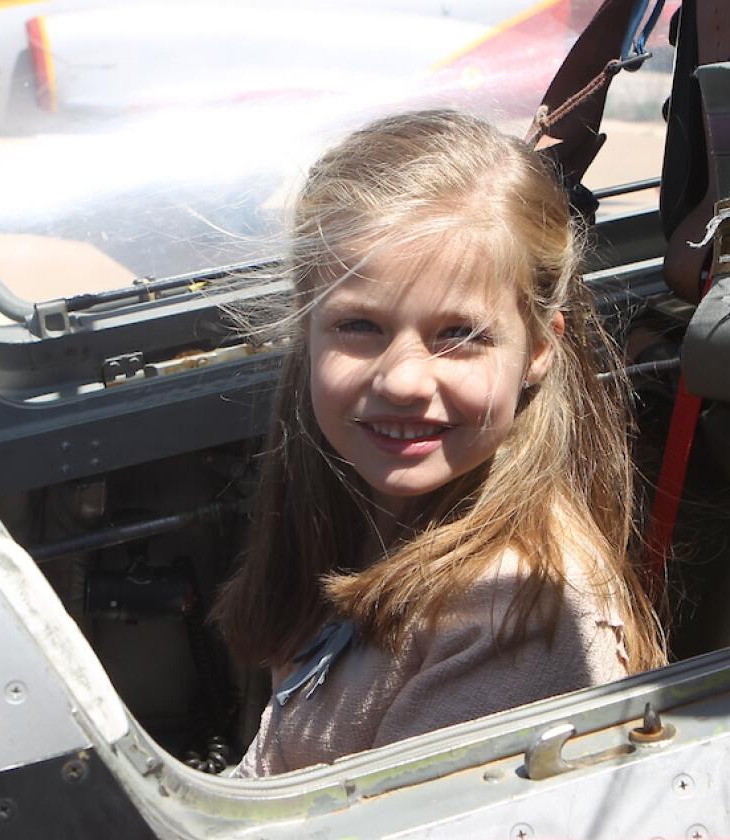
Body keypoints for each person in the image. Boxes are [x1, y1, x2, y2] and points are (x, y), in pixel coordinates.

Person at [212, 109, 666, 777]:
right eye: (359, 325)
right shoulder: (371, 513)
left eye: (460, 335)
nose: (401, 379)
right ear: (306, 331)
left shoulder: (512, 622)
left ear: (540, 348)